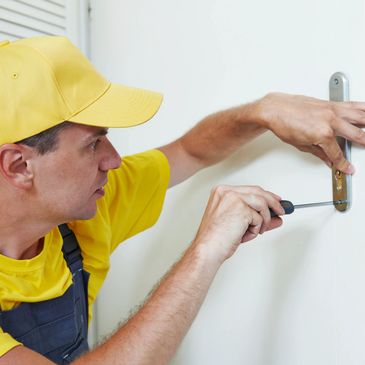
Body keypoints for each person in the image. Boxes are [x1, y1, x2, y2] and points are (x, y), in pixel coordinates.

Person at [0, 36, 364, 365]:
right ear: (18, 165)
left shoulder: (88, 207)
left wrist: (262, 111)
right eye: (93, 144)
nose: (113, 160)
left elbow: (190, 152)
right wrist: (205, 250)